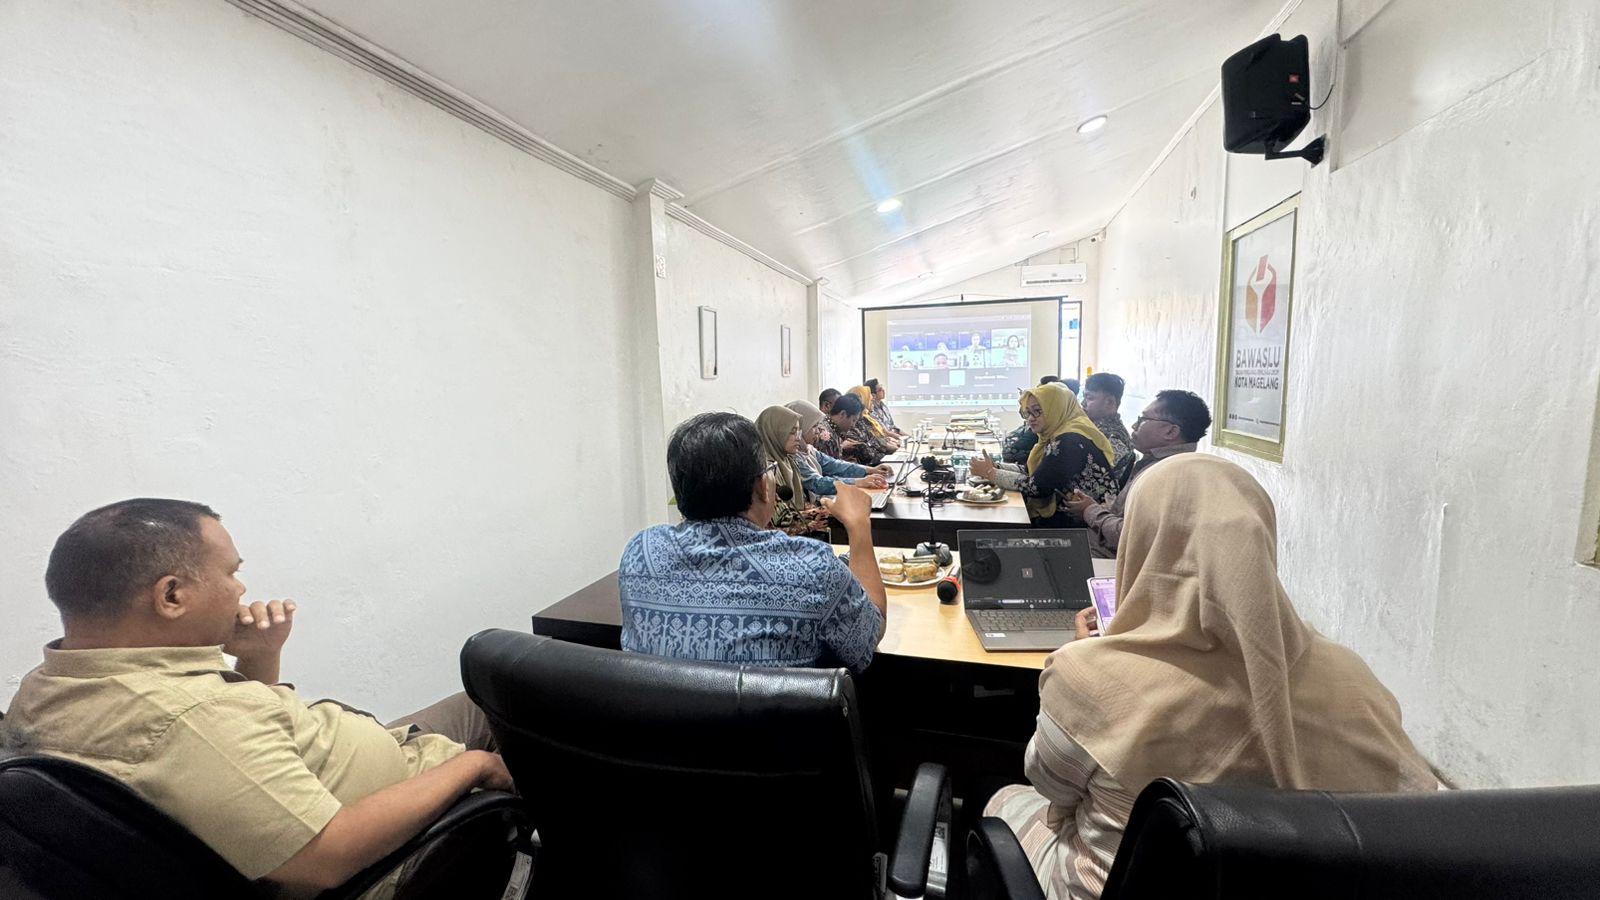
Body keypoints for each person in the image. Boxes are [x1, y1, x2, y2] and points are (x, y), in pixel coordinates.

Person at [0, 500, 512, 897]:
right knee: (534, 704)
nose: (240, 588)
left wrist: (258, 661)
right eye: (230, 572)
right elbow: (328, 854)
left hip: (346, 764)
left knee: (493, 693)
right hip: (412, 842)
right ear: (172, 596)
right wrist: (473, 768)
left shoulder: (48, 686)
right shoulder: (194, 721)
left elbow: (237, 769)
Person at [984, 456, 1438, 899]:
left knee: (1007, 799)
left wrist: (1085, 650)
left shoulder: (1087, 673)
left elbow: (1048, 781)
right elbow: (1404, 795)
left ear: (1143, 539)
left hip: (1116, 884)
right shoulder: (1350, 675)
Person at [619, 412, 888, 674]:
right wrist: (859, 526)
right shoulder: (811, 566)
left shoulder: (641, 550)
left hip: (659, 718)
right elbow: (869, 634)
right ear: (763, 486)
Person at [1063, 390, 1210, 558]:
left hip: (1111, 560)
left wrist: (1090, 510)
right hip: (1099, 545)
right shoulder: (1153, 462)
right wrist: (1097, 507)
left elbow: (1128, 536)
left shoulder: (1167, 474)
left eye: (1143, 419)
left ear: (1170, 432)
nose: (1133, 425)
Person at [970, 383, 1118, 526]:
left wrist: (991, 473)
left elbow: (1037, 487)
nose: (1030, 418)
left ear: (1056, 409)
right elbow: (1034, 472)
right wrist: (996, 466)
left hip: (1085, 526)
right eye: (1027, 412)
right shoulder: (1056, 434)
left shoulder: (1070, 440)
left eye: (1037, 411)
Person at [786, 400, 891, 497]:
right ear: (800, 427)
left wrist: (869, 470)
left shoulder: (807, 449)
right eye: (814, 427)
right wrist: (859, 482)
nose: (818, 431)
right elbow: (817, 483)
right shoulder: (793, 455)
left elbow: (833, 464)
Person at [755, 405, 832, 537]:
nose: (797, 437)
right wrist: (813, 520)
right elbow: (775, 523)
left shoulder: (788, 460)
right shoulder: (764, 470)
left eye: (799, 432)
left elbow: (796, 507)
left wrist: (824, 509)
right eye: (792, 432)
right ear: (774, 432)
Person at [1080, 373, 1136, 484]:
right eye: (1084, 397)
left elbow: (1089, 480)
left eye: (1090, 398)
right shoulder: (1093, 428)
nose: (1083, 403)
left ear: (1110, 402)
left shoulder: (1113, 438)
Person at [846, 386, 901, 462]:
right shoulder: (855, 422)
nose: (873, 403)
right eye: (871, 400)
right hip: (871, 465)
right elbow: (868, 452)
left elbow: (876, 441)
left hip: (878, 460)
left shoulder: (866, 418)